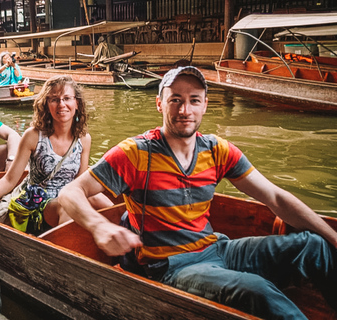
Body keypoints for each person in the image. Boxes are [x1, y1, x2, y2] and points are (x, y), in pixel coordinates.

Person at [58, 66, 337, 319]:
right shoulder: (136, 153)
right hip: (172, 266)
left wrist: (334, 238)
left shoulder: (217, 150)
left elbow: (275, 198)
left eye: (193, 100)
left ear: (205, 105)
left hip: (218, 248)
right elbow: (71, 192)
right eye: (175, 100)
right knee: (257, 290)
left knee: (315, 246)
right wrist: (99, 227)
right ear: (159, 104)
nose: (184, 110)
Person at [0, 75, 113, 233]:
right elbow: (9, 179)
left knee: (103, 201)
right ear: (47, 105)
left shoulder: (84, 139)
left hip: (68, 196)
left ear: (76, 103)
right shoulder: (33, 136)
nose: (61, 104)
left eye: (67, 98)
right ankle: (61, 253)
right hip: (37, 202)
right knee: (67, 206)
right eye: (54, 99)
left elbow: (81, 182)